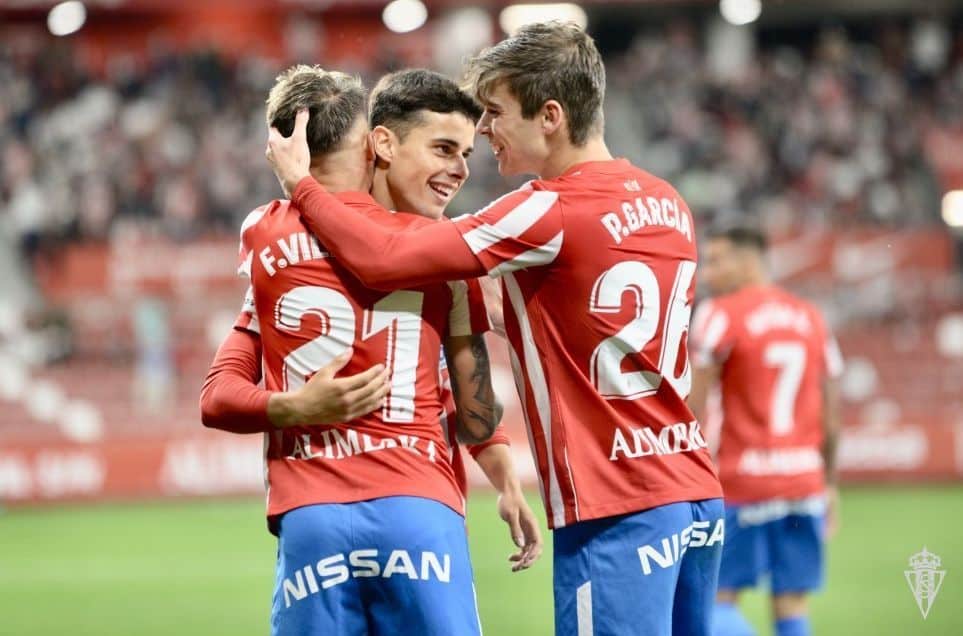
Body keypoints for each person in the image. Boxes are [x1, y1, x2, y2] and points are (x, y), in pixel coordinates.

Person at [265, 22, 724, 636]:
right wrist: (506, 474)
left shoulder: (546, 208)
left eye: (495, 113)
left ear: (551, 116)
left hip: (619, 501)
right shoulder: (669, 202)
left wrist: (302, 186)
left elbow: (385, 260)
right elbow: (531, 330)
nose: (486, 131)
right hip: (695, 489)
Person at [201, 68, 542, 571]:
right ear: (377, 145)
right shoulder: (444, 251)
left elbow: (217, 396)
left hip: (311, 515)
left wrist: (294, 407)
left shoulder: (267, 232)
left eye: (464, 154)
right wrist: (509, 483)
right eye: (443, 150)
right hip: (422, 507)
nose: (461, 171)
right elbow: (474, 404)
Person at [687, 226, 843, 636]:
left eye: (717, 260)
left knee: (715, 601)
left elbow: (695, 407)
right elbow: (832, 418)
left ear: (748, 260)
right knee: (792, 603)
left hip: (741, 482)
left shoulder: (718, 313)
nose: (708, 272)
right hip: (804, 484)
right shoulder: (811, 317)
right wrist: (827, 484)